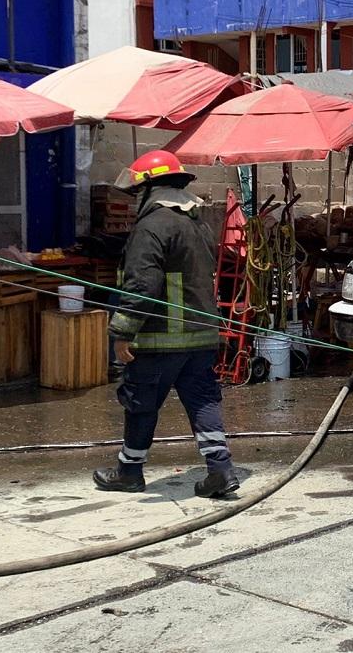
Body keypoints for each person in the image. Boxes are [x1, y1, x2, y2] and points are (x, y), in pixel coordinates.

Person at [92, 150, 239, 498]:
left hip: (161, 340)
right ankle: (220, 470)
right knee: (203, 402)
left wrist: (121, 334)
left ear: (147, 190)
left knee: (140, 403)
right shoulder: (197, 223)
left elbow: (141, 286)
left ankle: (129, 472)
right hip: (202, 337)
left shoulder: (152, 226)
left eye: (135, 195)